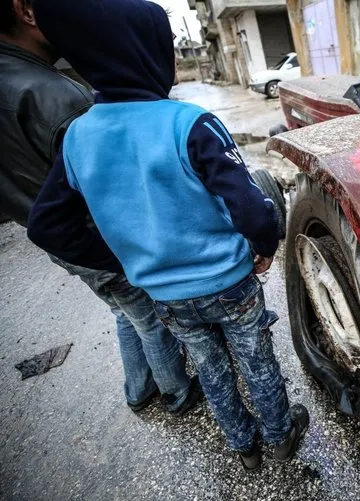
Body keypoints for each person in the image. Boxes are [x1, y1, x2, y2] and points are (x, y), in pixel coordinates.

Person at [27, 0, 308, 470]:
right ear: (141, 52)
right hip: (229, 283)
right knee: (256, 361)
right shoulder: (188, 122)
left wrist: (126, 261)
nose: (174, 58)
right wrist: (263, 246)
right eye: (168, 47)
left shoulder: (77, 137)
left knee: (212, 372)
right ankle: (280, 436)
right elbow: (248, 206)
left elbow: (47, 226)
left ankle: (244, 449)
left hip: (165, 294)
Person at [0, 0, 200, 415]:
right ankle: (177, 393)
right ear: (26, 11)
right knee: (148, 316)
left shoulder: (17, 80)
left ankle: (138, 388)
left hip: (58, 236)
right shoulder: (55, 97)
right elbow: (120, 189)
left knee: (124, 311)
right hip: (95, 236)